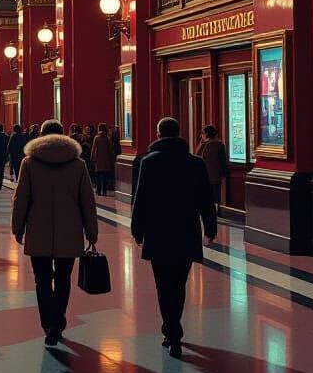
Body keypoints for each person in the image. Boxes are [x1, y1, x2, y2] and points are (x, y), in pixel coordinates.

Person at [131, 117, 218, 359]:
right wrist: (210, 228)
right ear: (179, 134)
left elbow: (141, 199)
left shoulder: (148, 162)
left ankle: (171, 331)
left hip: (158, 232)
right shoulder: (195, 163)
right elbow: (205, 200)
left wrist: (137, 229)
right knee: (179, 284)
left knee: (163, 284)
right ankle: (174, 331)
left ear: (159, 134)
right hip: (186, 231)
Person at [11, 119, 97, 347]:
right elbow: (87, 201)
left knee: (41, 279)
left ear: (40, 136)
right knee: (63, 278)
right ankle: (58, 320)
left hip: (38, 229)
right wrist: (92, 231)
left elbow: (21, 199)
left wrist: (17, 228)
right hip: (69, 231)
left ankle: (49, 323)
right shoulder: (78, 164)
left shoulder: (29, 163)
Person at [196, 124, 229, 212]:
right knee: (216, 195)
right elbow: (223, 160)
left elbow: (197, 157)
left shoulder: (204, 145)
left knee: (206, 195)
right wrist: (224, 173)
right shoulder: (219, 144)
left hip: (204, 175)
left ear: (206, 134)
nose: (201, 135)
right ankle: (216, 211)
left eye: (202, 133)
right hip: (216, 175)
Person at [91, 122, 116, 196]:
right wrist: (112, 158)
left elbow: (94, 148)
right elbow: (110, 149)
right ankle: (104, 191)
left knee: (98, 175)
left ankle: (98, 191)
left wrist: (92, 157)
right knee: (105, 176)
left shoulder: (97, 137)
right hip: (106, 159)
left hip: (98, 159)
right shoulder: (107, 138)